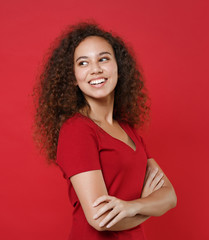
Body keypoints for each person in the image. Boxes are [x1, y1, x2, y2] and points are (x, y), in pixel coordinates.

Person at [34, 22, 177, 240]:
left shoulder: (128, 129)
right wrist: (148, 206)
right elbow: (100, 219)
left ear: (118, 66)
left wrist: (132, 207)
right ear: (72, 77)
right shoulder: (77, 131)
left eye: (103, 59)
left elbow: (170, 196)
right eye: (83, 63)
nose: (95, 69)